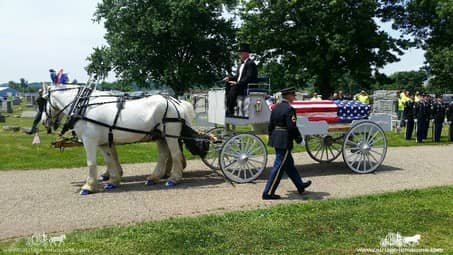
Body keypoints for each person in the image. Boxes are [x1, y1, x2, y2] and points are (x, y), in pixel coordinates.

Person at [263, 87, 312, 200]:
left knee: (289, 164)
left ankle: (300, 185)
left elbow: (270, 125)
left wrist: (272, 137)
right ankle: (268, 192)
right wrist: (299, 139)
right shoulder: (289, 109)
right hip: (284, 140)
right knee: (279, 166)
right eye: (293, 95)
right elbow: (291, 127)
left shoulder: (275, 107)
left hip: (276, 138)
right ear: (288, 95)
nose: (294, 97)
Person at [224, 43, 258, 117]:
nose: (239, 55)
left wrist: (238, 83)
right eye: (239, 53)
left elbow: (248, 77)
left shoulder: (251, 64)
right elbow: (237, 76)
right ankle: (230, 104)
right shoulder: (240, 65)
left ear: (247, 53)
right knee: (227, 84)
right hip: (240, 84)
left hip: (247, 85)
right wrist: (229, 78)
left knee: (234, 88)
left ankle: (231, 109)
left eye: (241, 53)